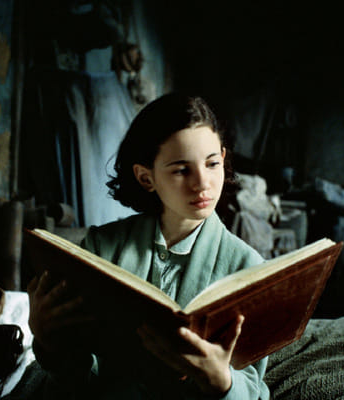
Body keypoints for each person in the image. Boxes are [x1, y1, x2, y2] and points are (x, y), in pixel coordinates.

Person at [26, 93, 270, 399]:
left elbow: (254, 387)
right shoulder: (101, 248)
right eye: (181, 170)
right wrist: (47, 340)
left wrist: (222, 381)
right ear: (146, 178)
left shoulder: (248, 268)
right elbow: (76, 372)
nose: (202, 183)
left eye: (212, 164)